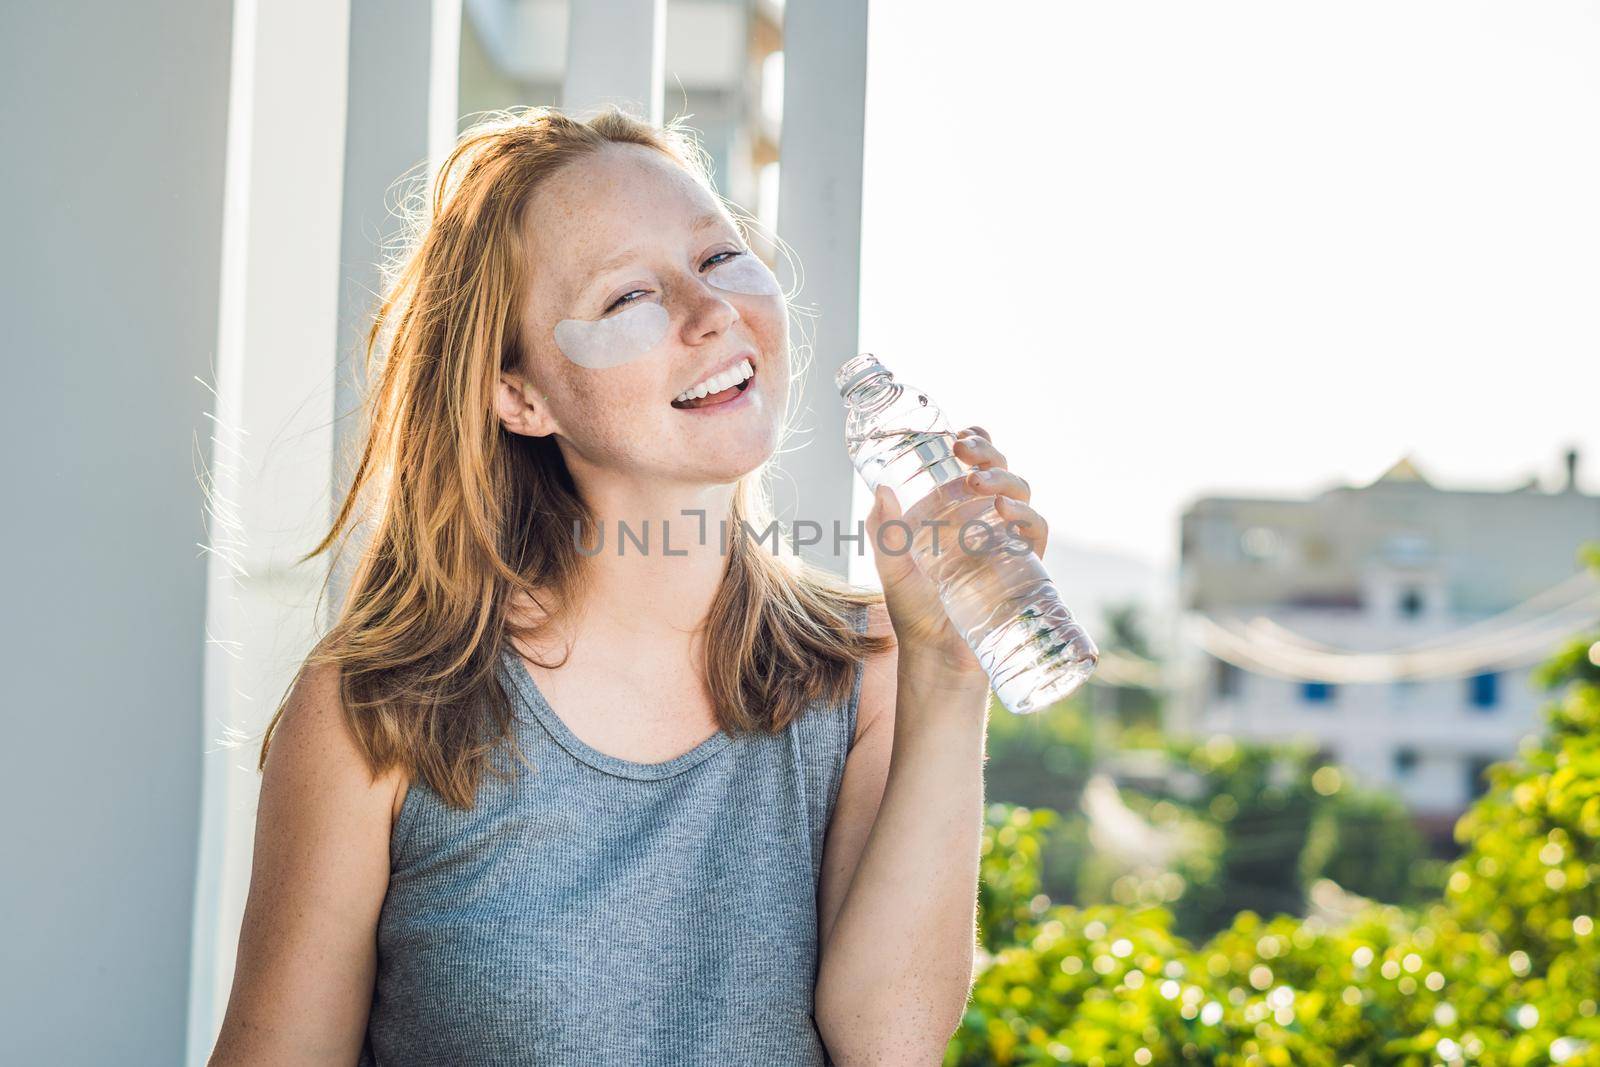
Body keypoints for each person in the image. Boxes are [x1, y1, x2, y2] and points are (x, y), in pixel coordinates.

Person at [207, 105, 1050, 1066]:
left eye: (721, 258)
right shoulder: (381, 712)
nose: (711, 313)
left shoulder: (867, 675)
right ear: (518, 393)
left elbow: (887, 1044)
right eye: (626, 300)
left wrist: (950, 672)